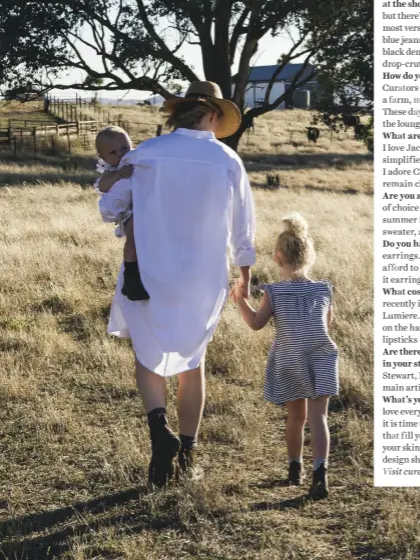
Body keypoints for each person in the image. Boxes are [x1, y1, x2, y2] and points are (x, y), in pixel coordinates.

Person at [99, 81, 256, 486]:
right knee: (193, 362)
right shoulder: (226, 159)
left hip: (148, 270)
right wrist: (245, 276)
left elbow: (112, 201)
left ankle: (158, 438)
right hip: (202, 277)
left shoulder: (146, 152)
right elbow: (243, 228)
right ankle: (187, 454)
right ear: (215, 115)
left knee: (148, 355)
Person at [232, 213, 338, 500]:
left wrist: (239, 299)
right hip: (322, 357)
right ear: (309, 256)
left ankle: (295, 468)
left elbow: (256, 323)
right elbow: (326, 325)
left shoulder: (275, 292)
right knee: (320, 418)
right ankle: (320, 472)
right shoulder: (324, 288)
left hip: (290, 358)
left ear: (277, 258)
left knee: (296, 417)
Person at [95, 126, 149, 301]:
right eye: (113, 152)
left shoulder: (137, 159)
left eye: (124, 148)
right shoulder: (112, 171)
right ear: (103, 157)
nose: (120, 154)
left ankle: (146, 270)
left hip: (143, 205)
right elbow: (102, 186)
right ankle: (131, 274)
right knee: (133, 234)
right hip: (128, 211)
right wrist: (118, 174)